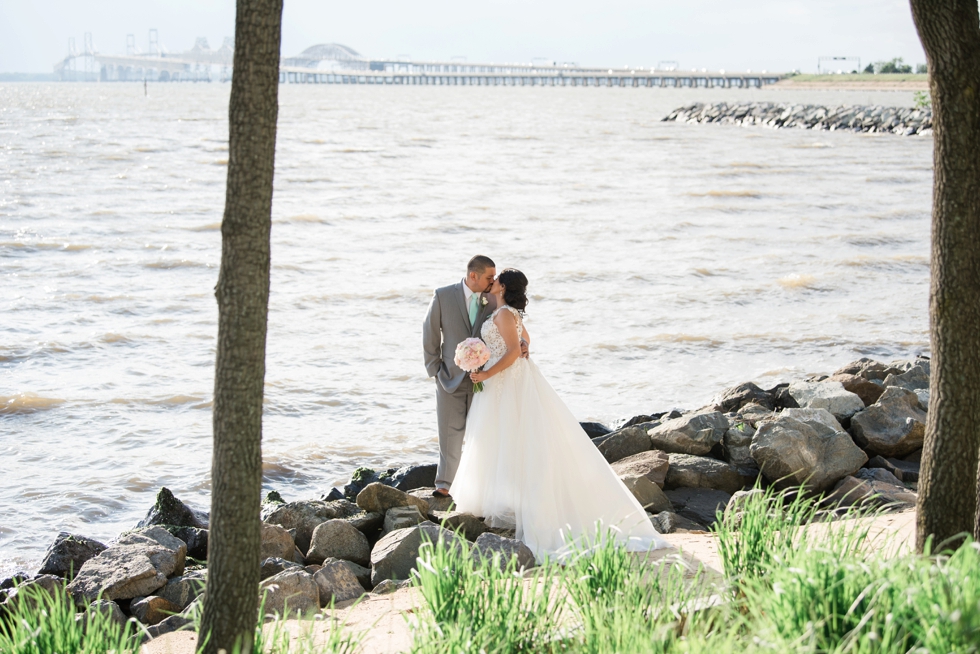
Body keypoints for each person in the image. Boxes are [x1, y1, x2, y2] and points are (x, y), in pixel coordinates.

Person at [450, 269, 671, 561]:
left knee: (509, 437)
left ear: (503, 286)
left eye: (496, 279)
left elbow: (514, 350)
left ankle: (518, 509)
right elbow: (523, 340)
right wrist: (517, 348)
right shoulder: (509, 313)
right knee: (505, 438)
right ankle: (507, 504)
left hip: (505, 380)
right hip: (507, 382)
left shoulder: (504, 314)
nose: (491, 282)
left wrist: (488, 370)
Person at [422, 256, 498, 498]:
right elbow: (430, 333)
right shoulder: (443, 296)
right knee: (449, 433)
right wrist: (434, 370)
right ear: (473, 275)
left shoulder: (494, 299)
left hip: (484, 379)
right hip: (449, 378)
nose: (493, 281)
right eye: (489, 277)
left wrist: (523, 343)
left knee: (482, 434)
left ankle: (480, 486)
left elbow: (511, 326)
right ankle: (444, 484)